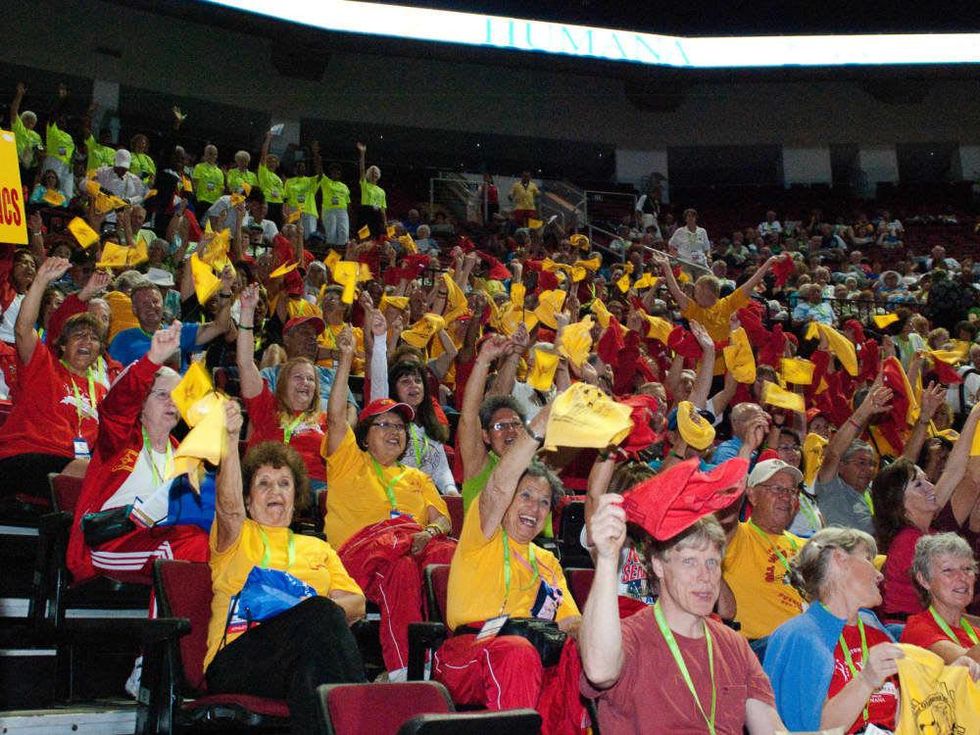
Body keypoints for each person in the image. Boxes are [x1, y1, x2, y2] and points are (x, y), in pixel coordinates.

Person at [205, 403, 366, 735]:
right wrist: (230, 438)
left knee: (313, 670)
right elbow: (228, 506)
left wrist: (300, 611)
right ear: (249, 500)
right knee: (320, 616)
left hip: (299, 657)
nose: (275, 491)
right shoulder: (237, 535)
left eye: (284, 483)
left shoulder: (318, 547)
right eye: (263, 484)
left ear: (297, 497)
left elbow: (357, 604)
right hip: (239, 656)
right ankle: (363, 716)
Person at [434, 402, 583, 721]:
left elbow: (570, 621)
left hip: (533, 645)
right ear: (506, 501)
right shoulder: (483, 532)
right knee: (517, 653)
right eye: (525, 496)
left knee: (580, 659)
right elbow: (499, 485)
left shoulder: (548, 562)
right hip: (471, 648)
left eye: (544, 502)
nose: (535, 507)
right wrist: (538, 427)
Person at [322, 325, 455, 681]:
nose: (395, 431)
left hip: (409, 548)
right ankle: (403, 672)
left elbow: (442, 520)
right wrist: (347, 358)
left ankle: (459, 648)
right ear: (364, 437)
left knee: (449, 555)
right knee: (402, 563)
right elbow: (335, 417)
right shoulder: (348, 461)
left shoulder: (417, 477)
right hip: (359, 553)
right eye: (384, 425)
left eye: (400, 426)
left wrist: (430, 531)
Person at [581, 502, 784, 734]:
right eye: (690, 562)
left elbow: (770, 730)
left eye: (712, 562)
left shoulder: (734, 644)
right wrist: (607, 559)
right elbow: (599, 671)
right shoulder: (632, 637)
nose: (705, 577)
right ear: (658, 565)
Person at [66, 322, 211, 586]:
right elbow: (116, 406)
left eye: (176, 395)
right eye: (161, 395)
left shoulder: (184, 455)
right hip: (109, 544)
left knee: (219, 546)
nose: (171, 402)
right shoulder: (121, 440)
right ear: (142, 403)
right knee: (189, 548)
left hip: (162, 538)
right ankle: (180, 626)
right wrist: (152, 359)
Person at [763, 527, 903, 734]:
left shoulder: (880, 636)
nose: (879, 575)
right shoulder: (798, 636)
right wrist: (866, 680)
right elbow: (810, 730)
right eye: (868, 560)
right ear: (839, 558)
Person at [0, 257, 108, 500]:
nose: (86, 342)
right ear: (62, 346)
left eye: (93, 338)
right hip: (25, 455)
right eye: (79, 336)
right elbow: (23, 329)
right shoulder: (44, 366)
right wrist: (41, 281)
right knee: (103, 477)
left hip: (70, 465)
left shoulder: (101, 392)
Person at [873, 402, 980, 622]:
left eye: (926, 480)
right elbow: (945, 613)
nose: (931, 486)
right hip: (906, 633)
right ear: (899, 502)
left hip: (937, 625)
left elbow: (955, 470)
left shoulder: (928, 527)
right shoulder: (908, 542)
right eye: (919, 485)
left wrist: (976, 413)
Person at [236, 284, 327, 498]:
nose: (305, 382)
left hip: (310, 491)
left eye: (310, 379)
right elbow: (245, 363)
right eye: (298, 377)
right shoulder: (267, 407)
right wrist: (247, 313)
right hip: (265, 482)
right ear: (283, 383)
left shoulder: (325, 421)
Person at [367, 310, 457, 495]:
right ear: (394, 388)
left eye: (417, 381)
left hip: (426, 501)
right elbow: (378, 379)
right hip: (390, 497)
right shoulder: (386, 416)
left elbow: (441, 469)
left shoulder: (430, 426)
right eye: (405, 381)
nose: (413, 386)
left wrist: (451, 491)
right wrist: (380, 339)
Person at [720, 458, 806, 645]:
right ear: (751, 495)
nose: (786, 496)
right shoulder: (737, 536)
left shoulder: (806, 545)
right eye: (777, 489)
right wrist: (747, 449)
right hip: (761, 647)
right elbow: (726, 510)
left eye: (792, 491)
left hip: (807, 640)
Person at [457, 334, 529, 511]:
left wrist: (516, 353)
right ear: (485, 436)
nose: (510, 431)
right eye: (500, 426)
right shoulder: (479, 465)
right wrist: (484, 359)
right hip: (483, 539)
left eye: (515, 424)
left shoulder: (533, 464)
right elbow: (469, 415)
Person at [814, 378, 893, 535]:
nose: (868, 469)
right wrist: (863, 411)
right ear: (841, 466)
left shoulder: (872, 492)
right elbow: (834, 453)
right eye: (861, 463)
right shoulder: (832, 488)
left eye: (872, 464)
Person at [900, 533, 980, 678]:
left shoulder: (975, 632)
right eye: (948, 570)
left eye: (967, 569)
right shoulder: (918, 628)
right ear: (924, 580)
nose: (962, 577)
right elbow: (969, 664)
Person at [109, 279, 231, 370]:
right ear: (134, 310)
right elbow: (113, 378)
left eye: (155, 301)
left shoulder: (177, 332)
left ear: (163, 304)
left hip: (179, 398)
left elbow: (220, 326)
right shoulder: (122, 340)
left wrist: (225, 290)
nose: (151, 306)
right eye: (144, 304)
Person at [356, 141, 387, 237]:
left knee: (376, 237)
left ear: (379, 175)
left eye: (376, 172)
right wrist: (362, 154)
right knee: (364, 237)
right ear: (368, 174)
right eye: (372, 171)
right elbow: (361, 169)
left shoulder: (381, 191)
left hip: (377, 215)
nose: (374, 173)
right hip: (366, 212)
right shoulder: (365, 184)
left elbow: (383, 209)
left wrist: (385, 222)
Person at [319, 161, 350, 247]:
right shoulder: (326, 182)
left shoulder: (344, 186)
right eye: (334, 171)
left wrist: (348, 215)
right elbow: (319, 171)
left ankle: (340, 254)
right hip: (329, 210)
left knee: (344, 233)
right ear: (331, 173)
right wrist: (317, 156)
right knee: (331, 234)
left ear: (340, 173)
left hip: (342, 211)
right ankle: (331, 254)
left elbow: (348, 202)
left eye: (338, 171)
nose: (336, 172)